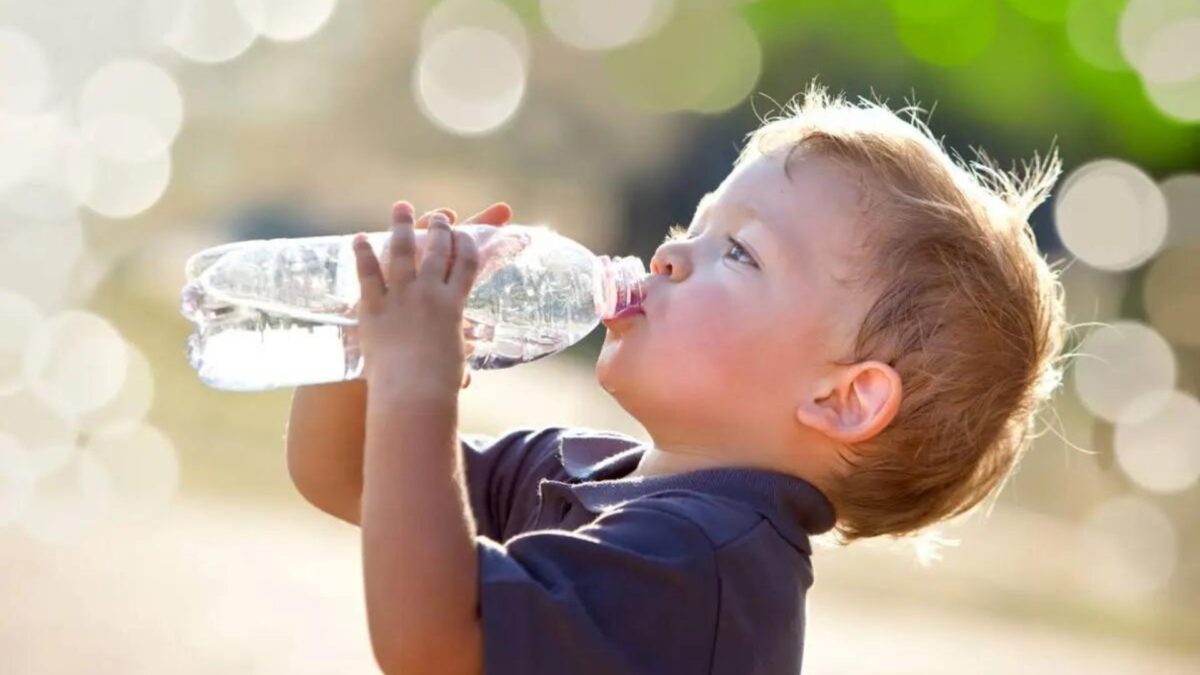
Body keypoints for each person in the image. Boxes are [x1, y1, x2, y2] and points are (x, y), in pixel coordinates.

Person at [285, 81, 1068, 674]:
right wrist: (365, 341)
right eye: (692, 226)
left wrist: (416, 384)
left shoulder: (705, 562)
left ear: (842, 396)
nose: (667, 255)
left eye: (739, 252)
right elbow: (346, 472)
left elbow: (431, 641)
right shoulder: (582, 468)